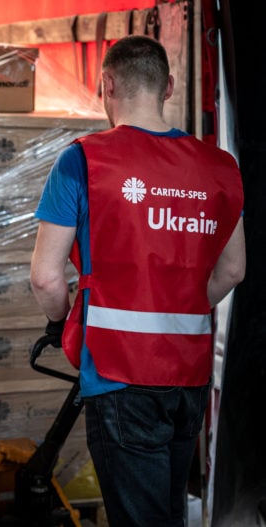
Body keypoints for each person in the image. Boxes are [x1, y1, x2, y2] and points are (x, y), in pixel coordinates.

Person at [29, 35, 245, 526]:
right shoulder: (220, 167)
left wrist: (63, 321)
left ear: (106, 84)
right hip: (189, 377)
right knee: (168, 514)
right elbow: (234, 270)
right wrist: (182, 303)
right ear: (168, 86)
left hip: (117, 373)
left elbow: (46, 278)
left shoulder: (84, 160)